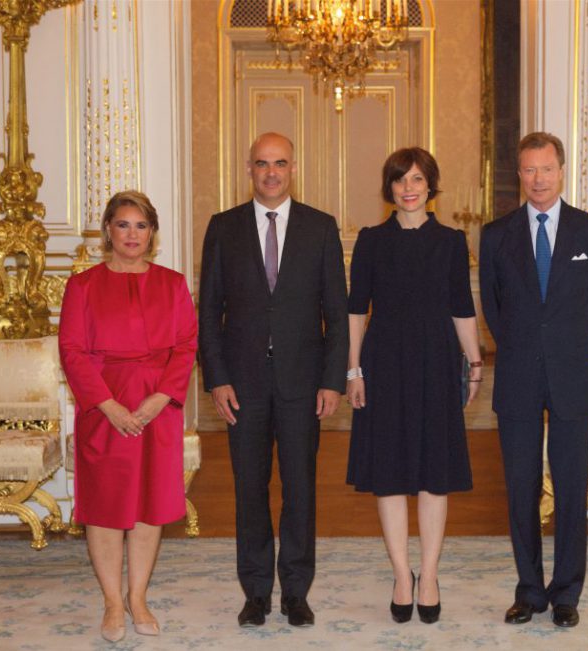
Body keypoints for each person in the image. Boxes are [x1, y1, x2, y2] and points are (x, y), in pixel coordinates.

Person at [198, 132, 349, 628]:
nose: (271, 172)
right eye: (262, 163)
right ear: (249, 169)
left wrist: (332, 381)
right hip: (241, 386)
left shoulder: (321, 228)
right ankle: (257, 592)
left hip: (304, 385)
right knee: (249, 489)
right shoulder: (223, 228)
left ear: (293, 167)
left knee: (301, 489)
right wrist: (216, 379)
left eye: (280, 163)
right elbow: (209, 313)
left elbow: (336, 314)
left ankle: (297, 593)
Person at [478, 132, 588, 628]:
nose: (538, 179)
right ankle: (529, 590)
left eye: (547, 169)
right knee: (520, 486)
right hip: (516, 374)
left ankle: (566, 593)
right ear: (520, 174)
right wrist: (522, 346)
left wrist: (569, 348)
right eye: (529, 170)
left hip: (573, 375)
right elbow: (492, 306)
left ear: (562, 170)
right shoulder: (496, 235)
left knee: (572, 486)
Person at [345, 147, 481, 625]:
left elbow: (462, 308)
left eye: (417, 179)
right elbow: (356, 310)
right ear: (390, 187)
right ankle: (401, 574)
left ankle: (429, 573)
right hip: (383, 363)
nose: (408, 188)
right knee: (390, 473)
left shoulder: (450, 241)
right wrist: (353, 370)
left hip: (437, 361)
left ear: (430, 186)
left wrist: (475, 363)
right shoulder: (371, 241)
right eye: (400, 180)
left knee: (432, 472)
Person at [58, 190, 198, 643]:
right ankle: (112, 602)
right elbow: (72, 351)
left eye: (141, 225)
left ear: (152, 232)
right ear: (108, 231)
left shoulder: (173, 284)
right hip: (104, 405)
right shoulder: (81, 286)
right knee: (104, 506)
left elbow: (185, 347)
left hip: (157, 406)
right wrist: (108, 405)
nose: (132, 234)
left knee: (149, 505)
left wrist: (161, 399)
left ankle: (137, 596)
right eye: (123, 225)